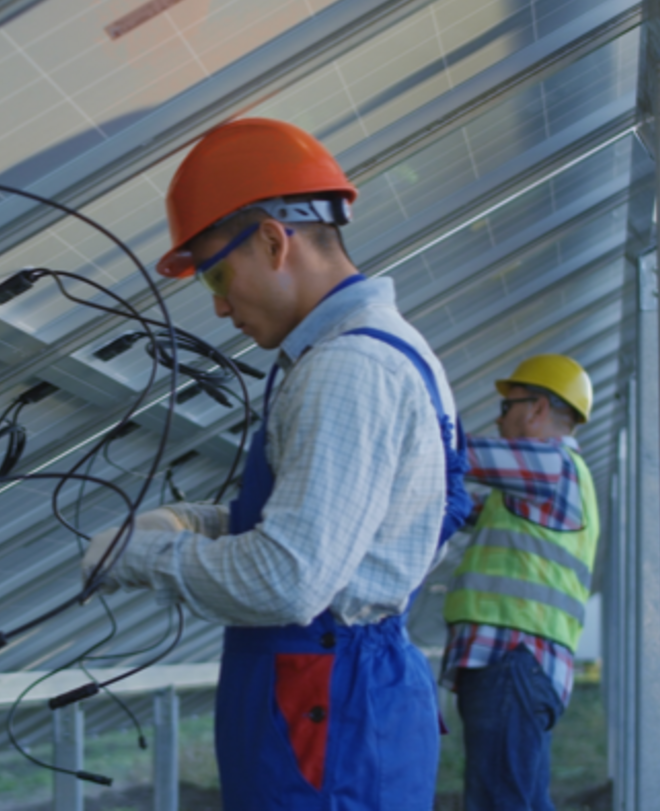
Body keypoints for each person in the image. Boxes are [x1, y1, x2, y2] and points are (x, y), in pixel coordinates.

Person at [81, 118, 460, 810]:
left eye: (217, 275)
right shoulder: (368, 351)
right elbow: (333, 523)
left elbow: (286, 577)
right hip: (339, 696)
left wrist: (141, 558)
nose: (221, 306)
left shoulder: (347, 368)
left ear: (272, 239)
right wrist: (191, 522)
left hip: (324, 707)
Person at [440, 354, 599, 811]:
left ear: (537, 409)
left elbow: (459, 457)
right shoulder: (536, 488)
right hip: (525, 665)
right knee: (517, 799)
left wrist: (406, 422)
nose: (499, 417)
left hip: (512, 657)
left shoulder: (554, 465)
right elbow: (464, 507)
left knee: (500, 802)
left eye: (508, 407)